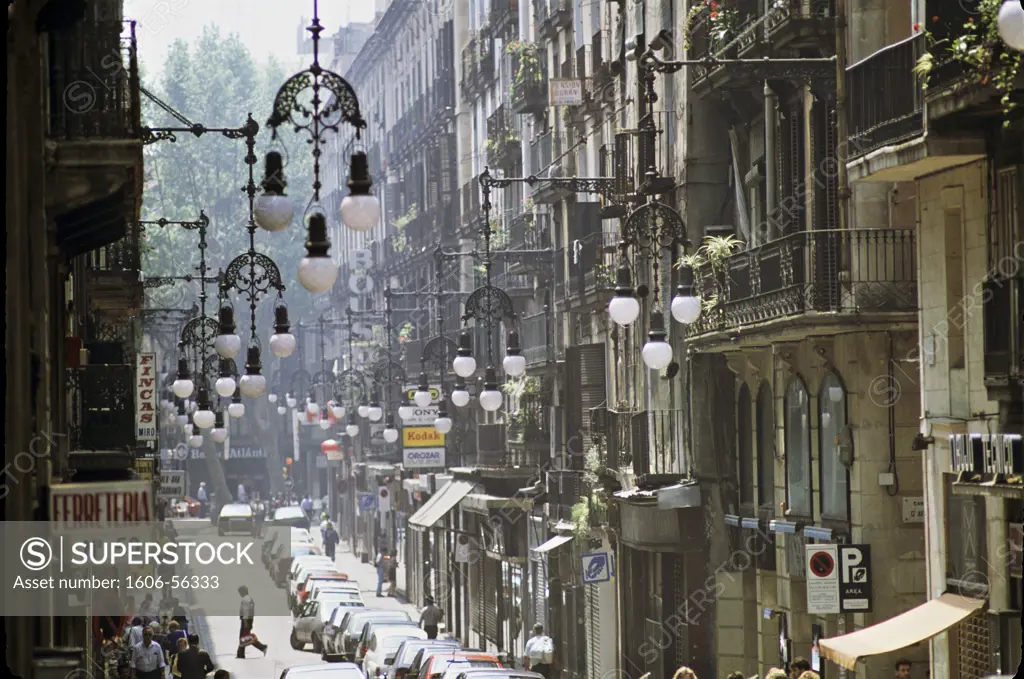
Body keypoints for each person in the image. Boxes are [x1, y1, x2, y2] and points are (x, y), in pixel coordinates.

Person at [236, 585, 268, 658]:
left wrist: (246, 622)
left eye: (240, 592)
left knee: (245, 638)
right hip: (248, 620)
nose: (239, 594)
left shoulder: (246, 600)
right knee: (245, 637)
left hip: (246, 621)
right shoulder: (248, 599)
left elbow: (246, 612)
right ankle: (240, 654)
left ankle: (262, 647)